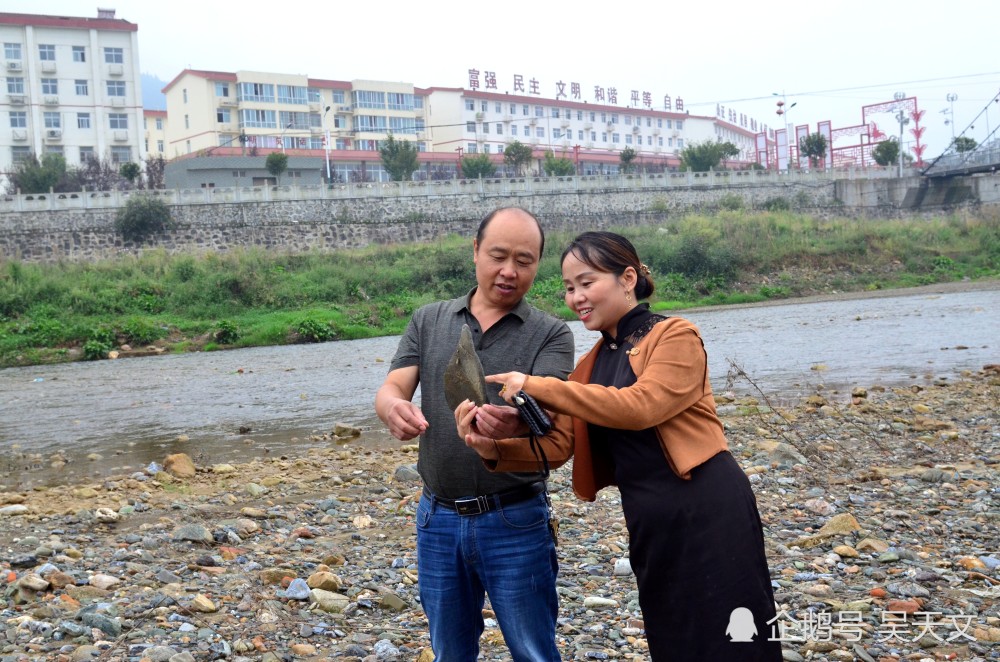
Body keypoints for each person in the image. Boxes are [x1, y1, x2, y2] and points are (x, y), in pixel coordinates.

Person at [458, 231, 782, 661]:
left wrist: (541, 385)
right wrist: (493, 444)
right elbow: (558, 446)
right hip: (650, 518)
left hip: (707, 507)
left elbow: (641, 406)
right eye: (569, 288)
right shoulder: (592, 363)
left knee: (734, 635)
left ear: (627, 278)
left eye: (587, 283)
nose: (576, 297)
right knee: (673, 634)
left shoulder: (674, 336)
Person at [374, 206, 574, 662]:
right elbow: (392, 387)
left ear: (538, 264)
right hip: (437, 518)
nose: (509, 271)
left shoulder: (552, 334)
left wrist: (514, 422)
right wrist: (393, 408)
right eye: (498, 256)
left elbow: (543, 409)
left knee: (533, 650)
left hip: (515, 518)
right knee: (449, 651)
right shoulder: (429, 320)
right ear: (476, 252)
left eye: (524, 261)